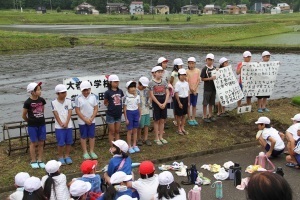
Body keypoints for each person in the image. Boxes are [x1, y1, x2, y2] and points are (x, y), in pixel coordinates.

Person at [22, 82, 46, 169]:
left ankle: (40, 159)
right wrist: (30, 121)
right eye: (38, 89)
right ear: (32, 92)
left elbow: (42, 111)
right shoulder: (27, 102)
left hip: (42, 124)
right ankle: (33, 160)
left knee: (41, 142)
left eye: (40, 89)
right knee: (33, 143)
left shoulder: (42, 100)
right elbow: (24, 115)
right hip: (32, 126)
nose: (40, 91)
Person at [75, 81, 99, 160]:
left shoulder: (93, 97)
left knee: (92, 136)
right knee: (83, 136)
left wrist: (91, 118)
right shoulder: (78, 98)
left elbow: (96, 108)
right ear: (81, 90)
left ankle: (91, 151)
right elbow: (77, 110)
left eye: (87, 90)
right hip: (82, 121)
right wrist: (85, 119)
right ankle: (85, 152)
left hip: (91, 120)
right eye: (84, 90)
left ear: (90, 89)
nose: (86, 92)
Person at [51, 84, 73, 165]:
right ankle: (60, 156)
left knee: (69, 142)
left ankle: (67, 156)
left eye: (65, 92)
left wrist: (67, 122)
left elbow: (70, 112)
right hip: (59, 127)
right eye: (62, 93)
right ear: (58, 93)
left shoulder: (69, 101)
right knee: (61, 142)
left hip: (68, 125)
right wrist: (61, 123)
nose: (64, 94)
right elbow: (55, 114)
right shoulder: (53, 102)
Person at [149, 66, 169, 145]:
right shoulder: (151, 83)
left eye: (161, 72)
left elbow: (167, 93)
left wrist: (165, 103)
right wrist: (159, 104)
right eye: (158, 72)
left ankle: (161, 136)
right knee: (156, 120)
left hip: (163, 100)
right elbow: (152, 95)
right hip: (156, 102)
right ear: (154, 73)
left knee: (162, 120)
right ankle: (156, 138)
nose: (160, 74)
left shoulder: (164, 81)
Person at [104, 74, 124, 146]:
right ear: (110, 83)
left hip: (118, 113)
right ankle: (112, 146)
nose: (116, 83)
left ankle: (118, 146)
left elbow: (122, 99)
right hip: (110, 114)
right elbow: (105, 102)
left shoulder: (120, 91)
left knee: (117, 131)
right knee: (112, 131)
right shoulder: (107, 92)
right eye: (115, 82)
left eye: (117, 82)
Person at [123, 81, 141, 154]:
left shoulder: (137, 96)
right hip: (129, 113)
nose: (133, 89)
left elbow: (139, 106)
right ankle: (129, 146)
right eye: (131, 87)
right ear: (128, 89)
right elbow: (124, 108)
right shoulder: (126, 98)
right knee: (130, 131)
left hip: (136, 112)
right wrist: (126, 118)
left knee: (135, 130)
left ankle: (134, 144)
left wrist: (140, 115)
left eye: (134, 87)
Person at [200, 53, 217, 123]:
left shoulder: (215, 68)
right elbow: (202, 79)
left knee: (211, 103)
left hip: (214, 88)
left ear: (213, 61)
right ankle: (204, 116)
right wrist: (210, 78)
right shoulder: (204, 69)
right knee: (205, 103)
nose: (210, 61)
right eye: (208, 60)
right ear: (206, 60)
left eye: (211, 60)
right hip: (207, 88)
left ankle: (210, 115)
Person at [136, 77, 152, 146]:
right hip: (139, 111)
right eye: (143, 86)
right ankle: (138, 138)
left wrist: (149, 102)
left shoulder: (147, 90)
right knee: (140, 126)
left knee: (146, 125)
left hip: (146, 110)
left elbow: (150, 97)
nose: (144, 87)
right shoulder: (135, 91)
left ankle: (145, 138)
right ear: (139, 84)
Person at [174, 68, 190, 135]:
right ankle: (179, 129)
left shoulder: (186, 83)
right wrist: (179, 102)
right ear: (179, 75)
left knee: (184, 115)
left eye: (184, 75)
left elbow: (188, 92)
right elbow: (176, 93)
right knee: (179, 115)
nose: (183, 76)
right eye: (181, 75)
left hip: (185, 99)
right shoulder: (177, 83)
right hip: (180, 99)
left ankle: (182, 127)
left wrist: (188, 101)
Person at [186, 57, 201, 126]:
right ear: (188, 64)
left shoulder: (198, 71)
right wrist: (191, 89)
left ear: (195, 64)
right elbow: (187, 81)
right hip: (189, 91)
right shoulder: (186, 72)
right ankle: (189, 118)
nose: (191, 65)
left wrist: (194, 89)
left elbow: (198, 80)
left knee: (194, 105)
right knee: (189, 105)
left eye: (192, 63)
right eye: (190, 63)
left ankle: (193, 118)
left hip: (196, 91)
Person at [170, 58, 184, 127]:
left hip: (180, 91)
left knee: (180, 104)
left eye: (181, 65)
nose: (181, 66)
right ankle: (175, 119)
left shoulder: (181, 73)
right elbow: (171, 82)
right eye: (179, 65)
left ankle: (180, 118)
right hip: (175, 91)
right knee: (175, 105)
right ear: (176, 65)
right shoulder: (173, 73)